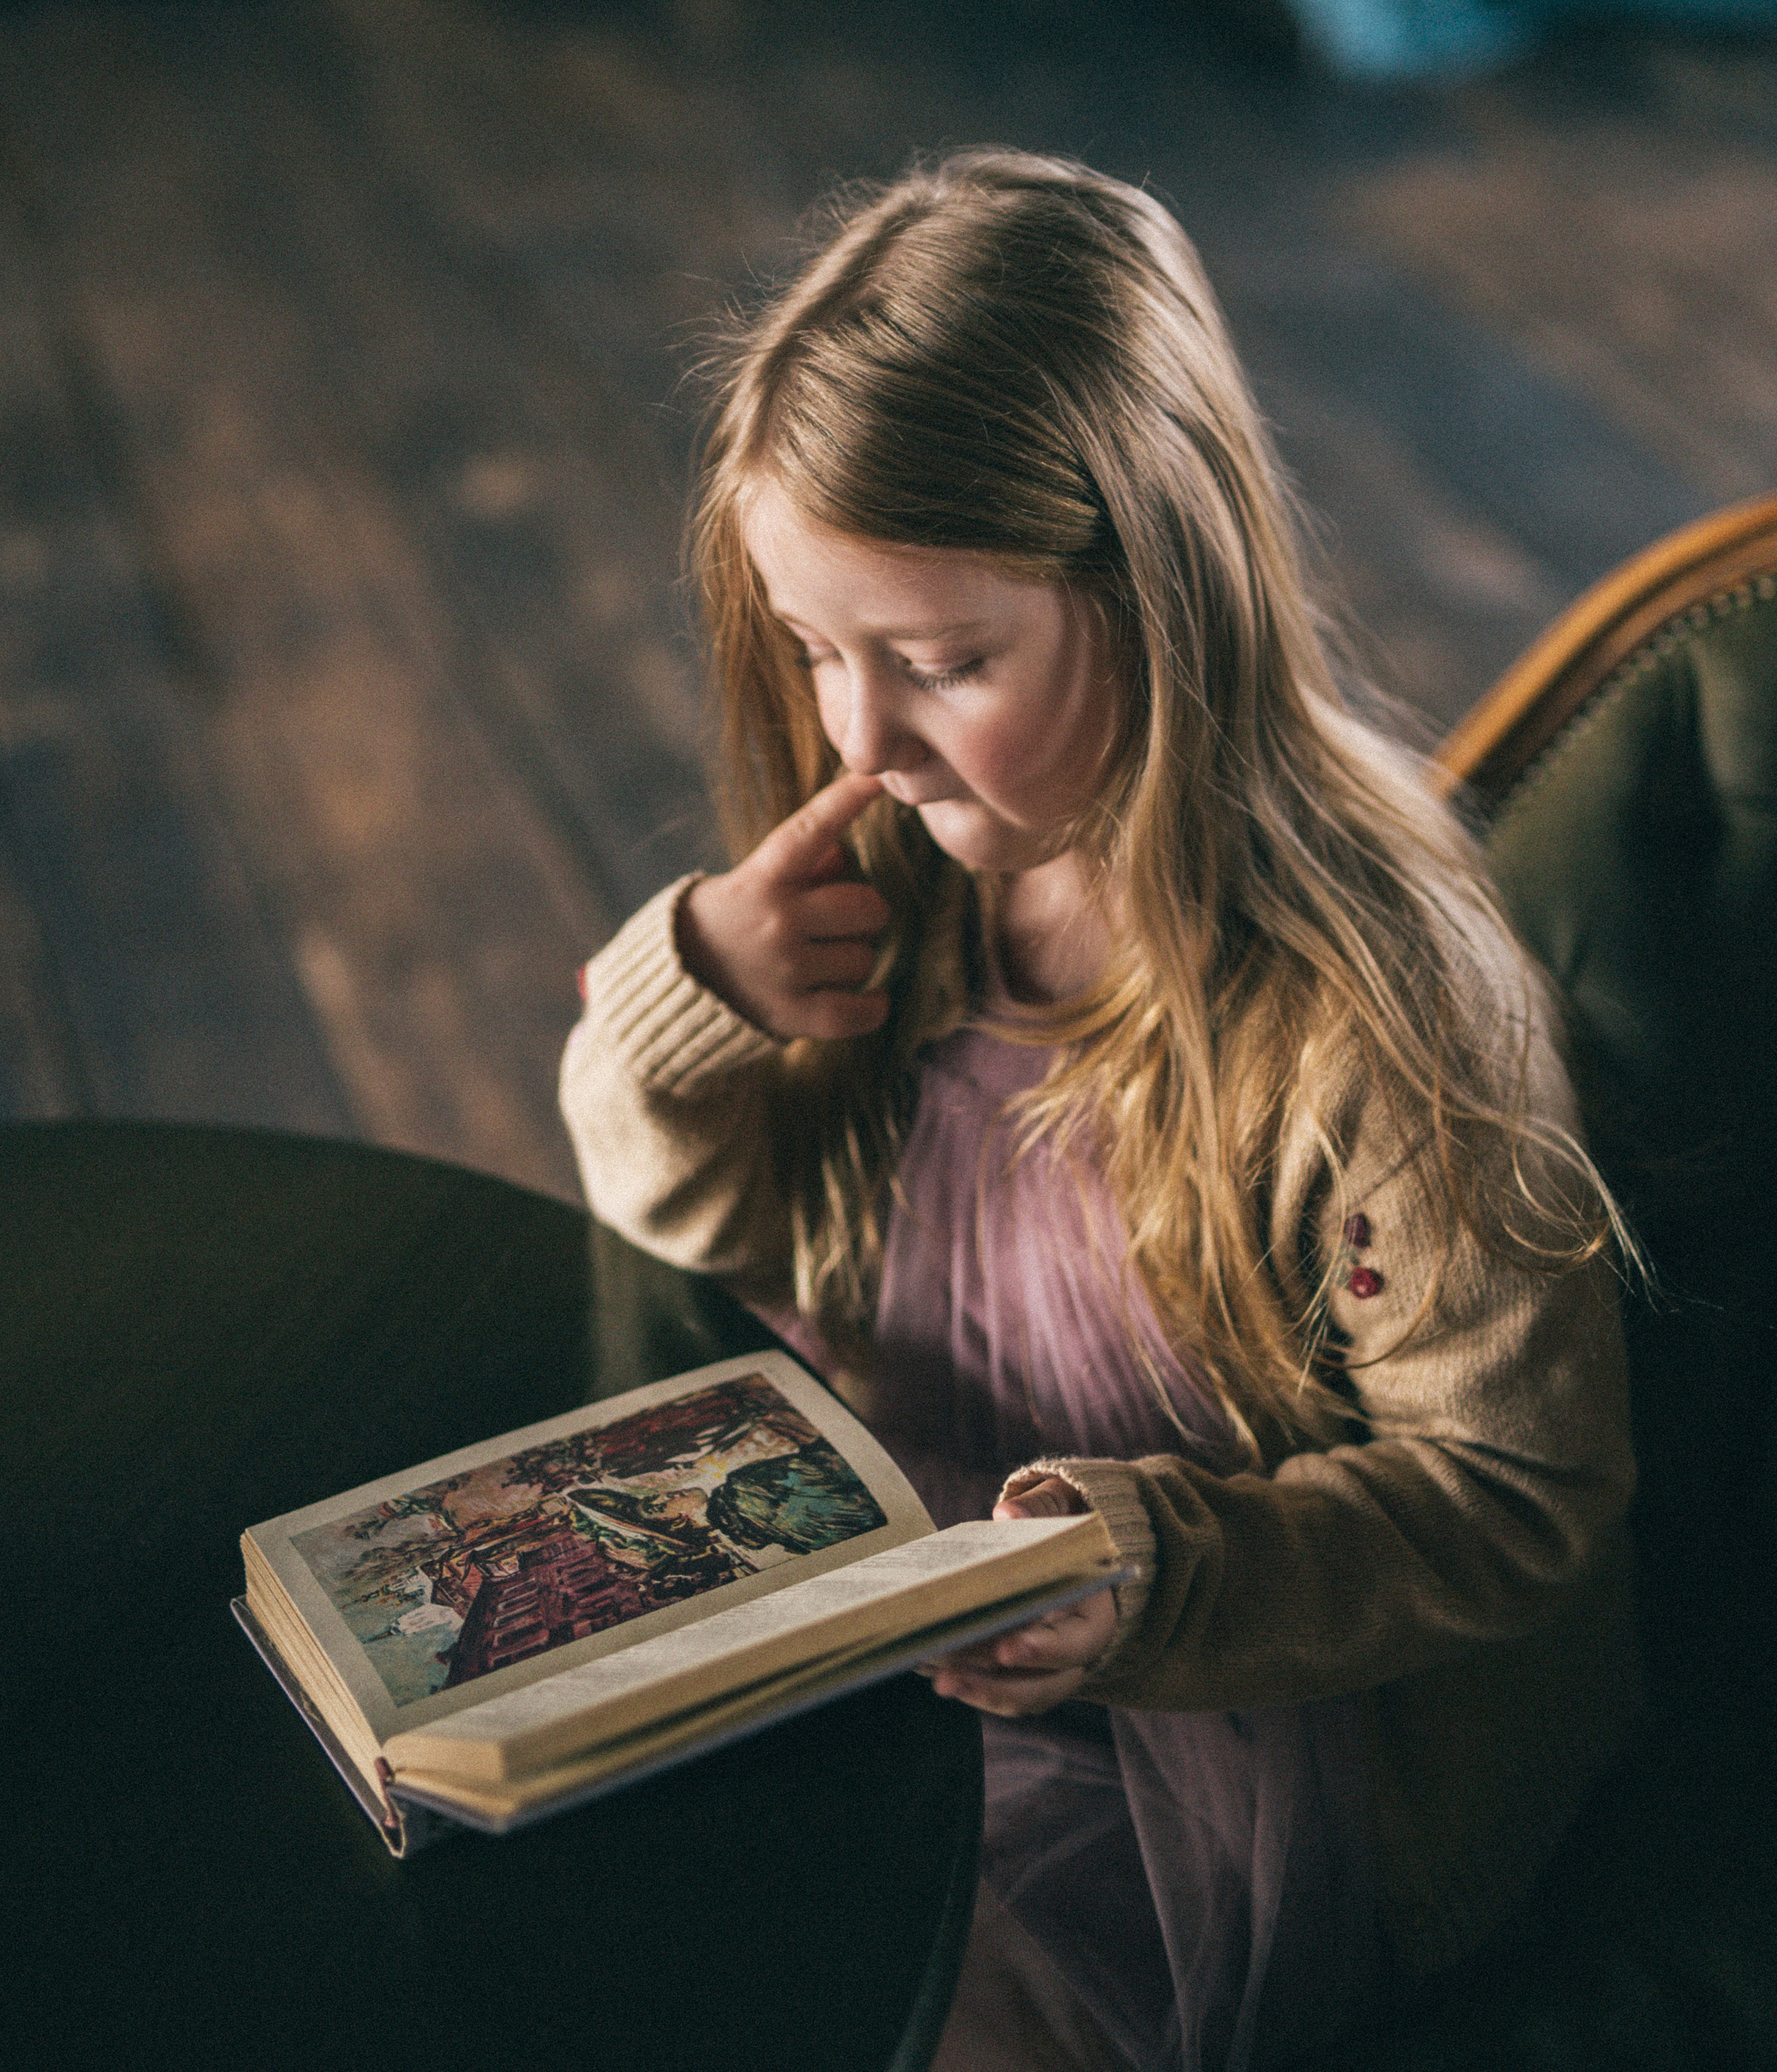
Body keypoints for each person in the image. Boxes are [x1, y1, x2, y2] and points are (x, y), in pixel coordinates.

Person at [560, 154, 1642, 2072]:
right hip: (886, 1649)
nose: (858, 741)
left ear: (1156, 591)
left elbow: (1516, 1495)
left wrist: (1153, 1575)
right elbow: (695, 1212)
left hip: (1242, 1752)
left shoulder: (1377, 1019)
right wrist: (699, 991)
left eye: (945, 662)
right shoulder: (899, 884)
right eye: (819, 652)